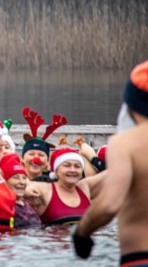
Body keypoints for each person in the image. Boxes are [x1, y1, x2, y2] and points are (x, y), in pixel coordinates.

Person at [73, 59, 148, 264]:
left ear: (132, 103)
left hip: (139, 256)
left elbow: (109, 205)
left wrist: (81, 232)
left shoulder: (126, 143)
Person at [24, 147, 105, 226]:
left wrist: (94, 159)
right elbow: (16, 186)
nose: (72, 170)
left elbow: (114, 173)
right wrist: (25, 191)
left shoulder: (85, 187)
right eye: (67, 165)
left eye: (77, 166)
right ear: (56, 171)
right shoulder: (45, 189)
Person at [0, 153, 41, 229]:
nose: (22, 182)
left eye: (24, 178)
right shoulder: (3, 205)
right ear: (4, 181)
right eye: (16, 177)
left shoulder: (25, 202)